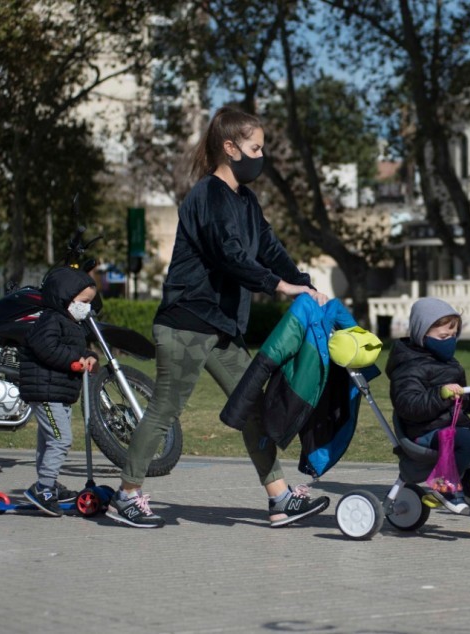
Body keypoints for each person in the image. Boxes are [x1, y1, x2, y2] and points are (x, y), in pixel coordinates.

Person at [107, 106, 329, 528]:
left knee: (254, 410)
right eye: (255, 147)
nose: (261, 156)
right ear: (230, 148)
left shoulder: (245, 200)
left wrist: (303, 282)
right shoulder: (206, 196)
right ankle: (126, 494)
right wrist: (277, 286)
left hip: (222, 327)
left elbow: (268, 247)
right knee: (166, 408)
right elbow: (230, 255)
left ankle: (279, 499)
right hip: (186, 321)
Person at [385, 297, 470, 514]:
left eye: (453, 336)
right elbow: (408, 406)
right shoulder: (408, 365)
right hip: (424, 430)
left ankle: (465, 483)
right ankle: (444, 487)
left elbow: (459, 402)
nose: (450, 341)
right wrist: (440, 394)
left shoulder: (450, 364)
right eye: (443, 336)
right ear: (422, 335)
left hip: (451, 427)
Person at [19, 266, 99, 516]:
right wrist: (74, 360)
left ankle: (48, 483)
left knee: (48, 441)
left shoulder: (71, 323)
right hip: (46, 393)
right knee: (61, 440)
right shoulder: (51, 320)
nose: (86, 307)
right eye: (83, 302)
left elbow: (75, 349)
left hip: (58, 392)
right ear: (65, 298)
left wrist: (88, 356)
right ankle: (42, 488)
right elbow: (47, 347)